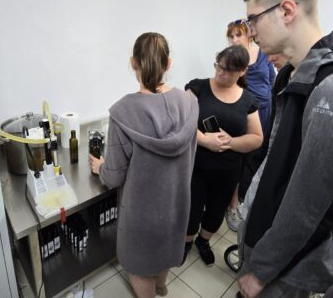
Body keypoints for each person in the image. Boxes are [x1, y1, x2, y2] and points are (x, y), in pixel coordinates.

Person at [237, 0, 333, 298]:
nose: (251, 32)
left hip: (288, 268)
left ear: (287, 11)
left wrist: (262, 269)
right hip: (266, 243)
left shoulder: (327, 88)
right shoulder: (289, 75)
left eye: (253, 20)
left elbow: (308, 204)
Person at [89, 32, 198, 298]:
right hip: (176, 204)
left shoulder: (123, 112)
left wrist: (100, 167)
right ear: (168, 64)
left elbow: (114, 177)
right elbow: (191, 155)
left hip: (142, 214)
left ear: (133, 63)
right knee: (164, 251)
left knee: (139, 267)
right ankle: (161, 287)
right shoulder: (189, 102)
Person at [183, 45, 263, 267]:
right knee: (191, 210)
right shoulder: (198, 88)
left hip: (228, 171)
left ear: (242, 71)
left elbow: (257, 138)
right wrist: (204, 139)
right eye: (219, 66)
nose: (220, 72)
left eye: (228, 70)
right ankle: (186, 242)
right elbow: (181, 122)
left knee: (216, 211)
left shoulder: (248, 100)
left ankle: (203, 241)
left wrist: (231, 142)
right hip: (196, 166)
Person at [225, 23, 276, 231]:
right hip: (245, 112)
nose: (235, 39)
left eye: (238, 34)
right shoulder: (232, 57)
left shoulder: (263, 52)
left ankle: (245, 198)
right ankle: (232, 205)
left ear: (248, 34)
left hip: (265, 110)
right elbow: (228, 85)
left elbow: (272, 80)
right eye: (231, 36)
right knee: (240, 158)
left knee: (258, 156)